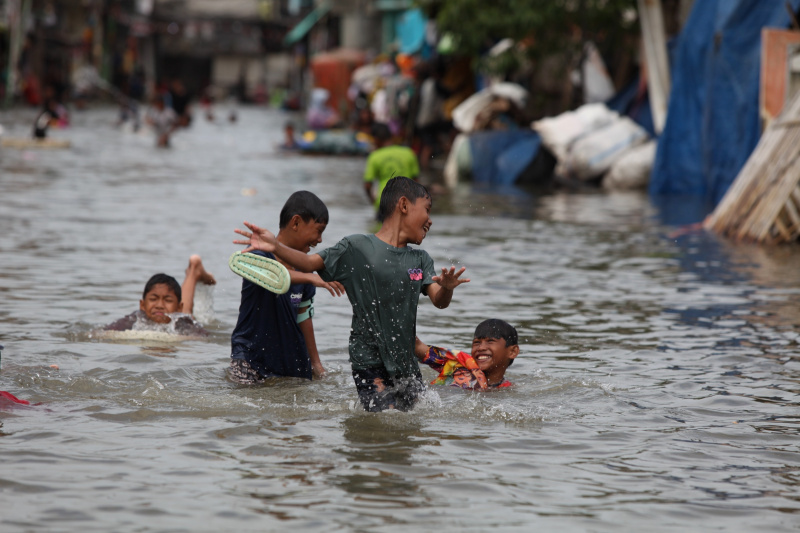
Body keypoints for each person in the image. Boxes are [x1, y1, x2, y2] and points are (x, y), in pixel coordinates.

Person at [234, 177, 470, 412]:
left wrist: (447, 288)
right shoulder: (356, 248)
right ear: (404, 205)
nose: (430, 220)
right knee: (384, 422)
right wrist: (275, 247)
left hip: (405, 365)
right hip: (369, 362)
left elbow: (439, 301)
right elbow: (308, 262)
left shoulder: (421, 260)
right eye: (427, 210)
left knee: (411, 430)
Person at [229, 191, 345, 384]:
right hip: (250, 362)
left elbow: (304, 317)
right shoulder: (257, 258)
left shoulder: (305, 269)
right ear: (296, 222)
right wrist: (312, 278)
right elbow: (276, 276)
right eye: (318, 230)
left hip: (289, 364)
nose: (320, 240)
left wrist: (316, 365)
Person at [103, 255, 216, 336]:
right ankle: (194, 269)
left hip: (181, 315)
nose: (159, 305)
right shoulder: (136, 319)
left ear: (178, 308)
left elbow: (204, 339)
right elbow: (100, 333)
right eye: (153, 299)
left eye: (167, 300)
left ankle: (194, 270)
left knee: (187, 312)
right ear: (142, 305)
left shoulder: (184, 322)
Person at [414, 319, 520, 390]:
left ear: (512, 352)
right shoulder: (459, 363)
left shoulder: (509, 390)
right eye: (476, 342)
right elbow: (418, 347)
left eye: (490, 341)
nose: (481, 347)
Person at [363, 123, 419, 215]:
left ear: (376, 139)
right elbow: (417, 183)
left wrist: (374, 202)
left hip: (384, 204)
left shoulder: (374, 156)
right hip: (407, 204)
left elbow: (367, 185)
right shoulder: (409, 153)